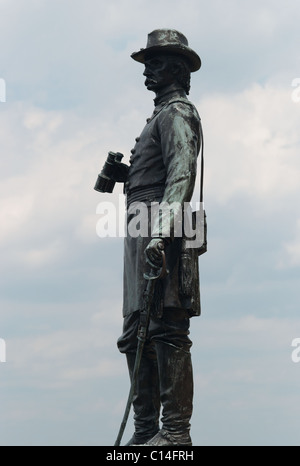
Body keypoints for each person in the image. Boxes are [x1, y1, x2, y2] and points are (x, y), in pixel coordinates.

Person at [114, 29, 203, 446]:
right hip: (140, 226)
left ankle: (174, 435)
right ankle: (146, 429)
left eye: (154, 63)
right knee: (136, 334)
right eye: (147, 63)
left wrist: (161, 233)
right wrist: (127, 178)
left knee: (166, 329)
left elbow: (182, 175)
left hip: (159, 230)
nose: (146, 71)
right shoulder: (158, 116)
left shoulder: (177, 113)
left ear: (176, 69)